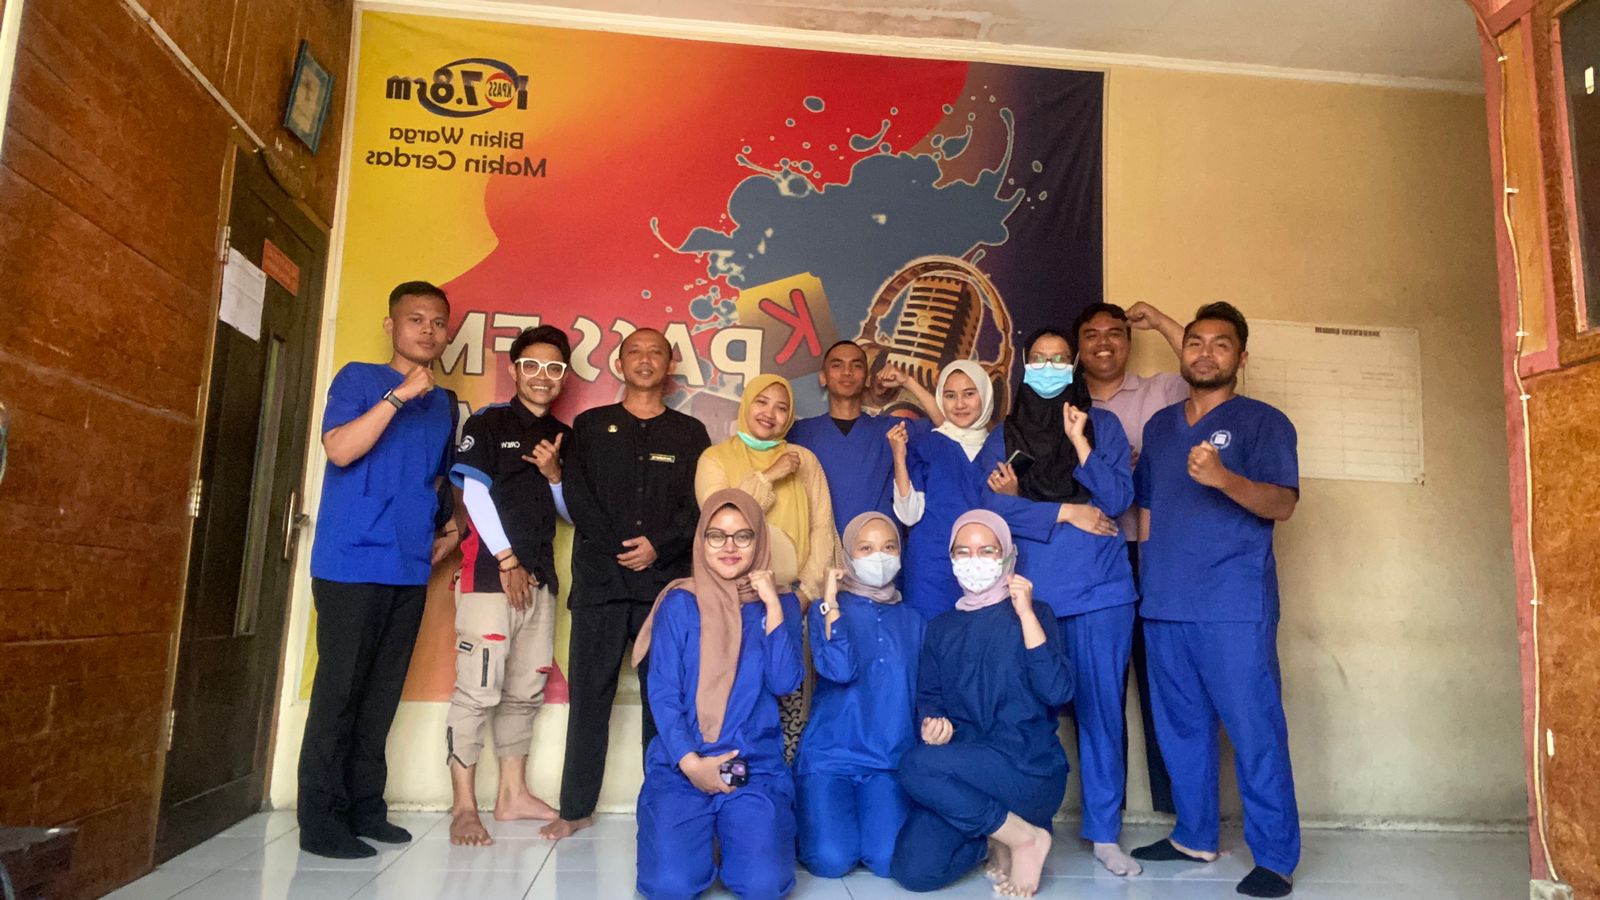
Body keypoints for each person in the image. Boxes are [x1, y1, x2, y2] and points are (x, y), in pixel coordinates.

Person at [1130, 302, 1301, 899]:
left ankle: (1275, 857)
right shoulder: (1160, 427)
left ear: (1241, 358)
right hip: (1164, 603)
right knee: (1181, 730)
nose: (1205, 353)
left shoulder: (1263, 423)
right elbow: (1147, 509)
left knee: (1254, 729)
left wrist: (1224, 478)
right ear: (1183, 351)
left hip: (1233, 603)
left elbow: (1283, 504)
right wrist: (1148, 579)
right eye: (1196, 342)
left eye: (1220, 344)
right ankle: (1194, 835)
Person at [298, 281, 456, 859]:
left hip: (408, 565)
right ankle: (320, 820)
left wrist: (450, 531)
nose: (428, 331)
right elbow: (340, 449)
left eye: (437, 322)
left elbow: (437, 478)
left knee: (381, 695)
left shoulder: (444, 403)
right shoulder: (358, 379)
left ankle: (366, 808)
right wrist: (398, 396)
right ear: (392, 325)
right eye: (416, 320)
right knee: (339, 693)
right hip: (350, 560)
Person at [542, 328, 711, 840]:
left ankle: (665, 804)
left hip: (665, 588)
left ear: (670, 364)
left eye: (656, 352)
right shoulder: (590, 426)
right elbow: (577, 495)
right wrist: (621, 546)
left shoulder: (690, 432)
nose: (645, 360)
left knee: (665, 703)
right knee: (589, 697)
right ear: (619, 363)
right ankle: (575, 807)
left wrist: (659, 545)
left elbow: (699, 505)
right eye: (634, 351)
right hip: (601, 583)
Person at [990, 327, 1140, 876]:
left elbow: (1118, 498)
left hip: (1101, 594)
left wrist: (1080, 441)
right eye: (1039, 359)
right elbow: (990, 508)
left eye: (1059, 359)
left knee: (1101, 714)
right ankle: (1025, 829)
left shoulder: (1104, 425)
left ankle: (1104, 833)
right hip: (1032, 597)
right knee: (1028, 719)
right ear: (1025, 366)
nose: (1049, 368)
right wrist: (1067, 511)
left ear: (1073, 365)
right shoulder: (1005, 432)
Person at [889, 511, 1074, 898]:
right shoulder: (942, 628)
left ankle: (1026, 839)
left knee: (915, 765)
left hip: (1028, 771)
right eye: (963, 551)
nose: (974, 560)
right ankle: (998, 836)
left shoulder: (1035, 613)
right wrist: (932, 726)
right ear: (951, 558)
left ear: (1008, 555)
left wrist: (1025, 614)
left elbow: (1057, 691)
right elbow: (930, 699)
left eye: (987, 550)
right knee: (914, 871)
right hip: (968, 776)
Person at [631, 489, 804, 900]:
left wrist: (772, 607)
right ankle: (705, 831)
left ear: (758, 541)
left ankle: (729, 832)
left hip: (751, 764)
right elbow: (663, 694)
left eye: (743, 536)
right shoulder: (679, 603)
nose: (729, 547)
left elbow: (784, 683)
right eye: (716, 535)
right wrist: (692, 764)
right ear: (701, 541)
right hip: (682, 763)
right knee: (669, 885)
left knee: (763, 885)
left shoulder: (780, 603)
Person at [443, 325, 574, 845]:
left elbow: (569, 514)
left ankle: (513, 795)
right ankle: (463, 806)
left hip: (540, 580)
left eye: (554, 368)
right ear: (515, 370)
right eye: (532, 366)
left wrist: (556, 474)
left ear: (564, 376)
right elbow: (474, 495)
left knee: (524, 692)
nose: (543, 376)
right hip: (489, 577)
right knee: (477, 691)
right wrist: (506, 558)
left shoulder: (563, 434)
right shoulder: (489, 422)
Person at [891, 359, 1108, 620]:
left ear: (985, 395)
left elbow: (1017, 513)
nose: (960, 404)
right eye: (950, 396)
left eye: (969, 394)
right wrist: (899, 457)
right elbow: (908, 515)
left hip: (990, 572)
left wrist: (1012, 494)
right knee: (932, 639)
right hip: (932, 570)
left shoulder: (1002, 446)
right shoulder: (926, 445)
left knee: (989, 639)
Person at [1076, 301, 1187, 815]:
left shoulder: (1158, 390)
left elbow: (1206, 369)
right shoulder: (1064, 407)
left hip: (1151, 551)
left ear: (1128, 341)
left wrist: (1159, 321)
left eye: (1115, 333)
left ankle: (1180, 812)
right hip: (1093, 556)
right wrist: (1112, 464)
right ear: (1078, 347)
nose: (1104, 343)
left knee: (1165, 678)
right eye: (1092, 334)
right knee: (1101, 690)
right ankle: (1107, 815)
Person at [696, 373, 836, 761]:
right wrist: (769, 475)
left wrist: (807, 591)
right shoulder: (715, 458)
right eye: (762, 402)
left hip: (791, 598)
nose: (770, 413)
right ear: (746, 405)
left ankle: (782, 780)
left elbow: (823, 528)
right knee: (735, 695)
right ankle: (731, 778)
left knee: (790, 695)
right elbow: (721, 519)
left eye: (781, 407)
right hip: (731, 600)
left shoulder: (805, 460)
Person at [794, 512, 925, 879]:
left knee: (887, 859)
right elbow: (838, 669)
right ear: (848, 557)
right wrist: (831, 601)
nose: (878, 557)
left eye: (888, 547)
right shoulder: (826, 612)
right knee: (831, 859)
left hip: (887, 761)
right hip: (829, 759)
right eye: (865, 548)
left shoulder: (914, 621)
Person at [788, 341, 942, 534]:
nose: (847, 372)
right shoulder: (800, 433)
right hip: (823, 547)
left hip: (878, 547)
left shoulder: (892, 430)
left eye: (856, 365)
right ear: (823, 378)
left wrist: (907, 382)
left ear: (868, 379)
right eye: (837, 365)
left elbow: (947, 427)